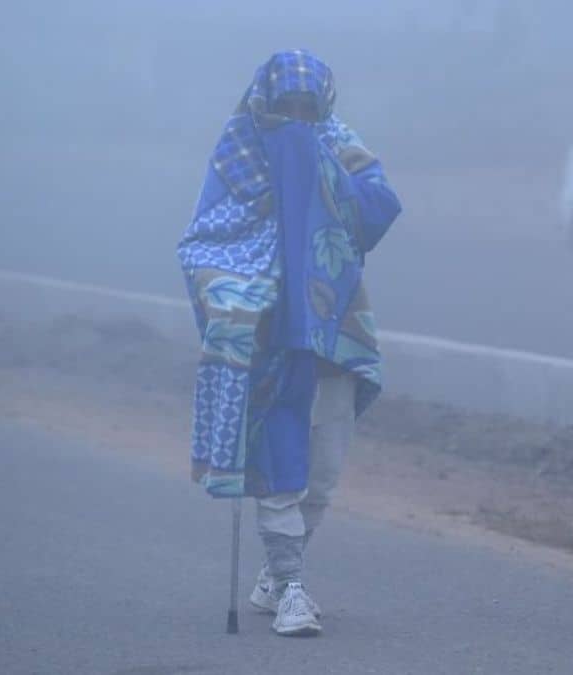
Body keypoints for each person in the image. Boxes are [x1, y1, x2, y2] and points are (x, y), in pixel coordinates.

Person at [177, 50, 401, 637]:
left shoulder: (338, 144)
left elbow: (377, 210)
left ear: (322, 105)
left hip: (333, 330)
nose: (296, 118)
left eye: (308, 107)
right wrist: (233, 301)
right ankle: (292, 585)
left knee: (322, 472)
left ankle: (275, 576)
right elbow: (203, 243)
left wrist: (318, 169)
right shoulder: (239, 157)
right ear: (264, 106)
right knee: (282, 461)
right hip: (270, 335)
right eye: (286, 109)